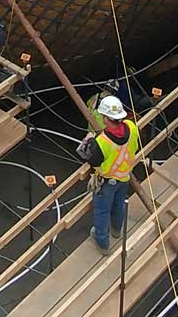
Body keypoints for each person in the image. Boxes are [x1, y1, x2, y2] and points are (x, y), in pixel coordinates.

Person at [76, 95, 139, 253]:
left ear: (105, 118)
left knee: (102, 211)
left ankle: (102, 242)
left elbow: (93, 161)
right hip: (124, 177)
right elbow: (135, 146)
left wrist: (90, 143)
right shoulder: (131, 127)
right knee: (119, 204)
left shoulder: (103, 142)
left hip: (107, 182)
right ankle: (117, 230)